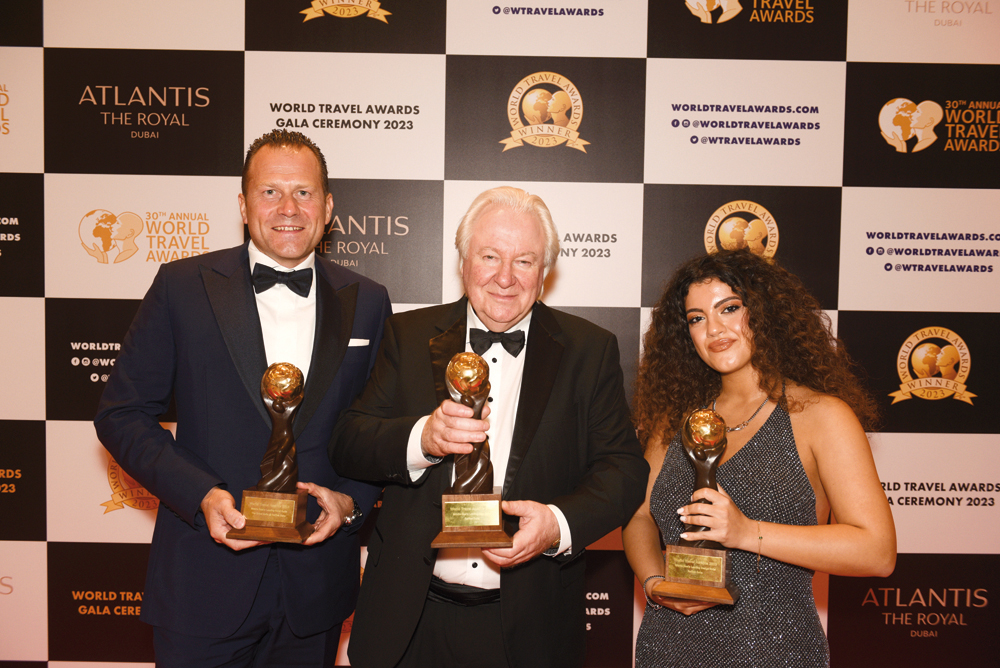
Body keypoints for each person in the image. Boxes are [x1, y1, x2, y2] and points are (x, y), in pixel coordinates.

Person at [94, 129, 391, 668]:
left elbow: (379, 427)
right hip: (202, 581)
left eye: (303, 193)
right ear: (243, 204)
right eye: (269, 192)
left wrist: (350, 502)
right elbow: (122, 414)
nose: (288, 208)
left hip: (315, 587)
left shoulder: (368, 300)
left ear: (327, 208)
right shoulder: (182, 286)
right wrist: (201, 494)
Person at [329, 186, 649, 668]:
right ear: (463, 261)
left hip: (529, 627)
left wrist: (557, 524)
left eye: (524, 261)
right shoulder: (407, 334)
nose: (505, 277)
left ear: (545, 271)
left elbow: (624, 470)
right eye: (490, 256)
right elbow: (348, 441)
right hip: (409, 619)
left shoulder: (590, 349)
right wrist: (422, 439)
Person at [623, 249, 896, 668]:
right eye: (696, 318)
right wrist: (654, 580)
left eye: (729, 308)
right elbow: (640, 516)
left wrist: (747, 532)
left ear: (765, 312)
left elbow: (876, 552)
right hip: (668, 648)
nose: (714, 329)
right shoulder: (674, 418)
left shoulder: (822, 416)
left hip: (775, 650)